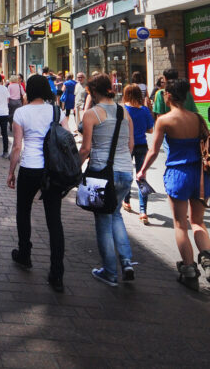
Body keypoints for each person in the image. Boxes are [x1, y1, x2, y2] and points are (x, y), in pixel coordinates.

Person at [137, 78, 210, 291]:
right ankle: (208, 261)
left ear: (168, 95)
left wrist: (142, 170)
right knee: (198, 222)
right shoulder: (196, 118)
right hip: (200, 175)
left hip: (178, 174)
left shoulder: (165, 120)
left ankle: (189, 271)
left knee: (180, 224)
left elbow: (154, 150)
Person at [8, 74, 66, 292]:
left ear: (28, 91)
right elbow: (67, 138)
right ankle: (57, 272)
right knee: (54, 221)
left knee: (23, 211)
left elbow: (16, 147)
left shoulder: (21, 113)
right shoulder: (56, 111)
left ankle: (25, 254)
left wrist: (11, 172)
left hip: (30, 167)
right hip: (52, 170)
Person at [78, 73, 136, 287]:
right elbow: (130, 145)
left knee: (103, 221)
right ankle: (127, 262)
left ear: (93, 92)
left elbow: (85, 149)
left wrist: (75, 168)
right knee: (116, 214)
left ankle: (110, 272)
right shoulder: (124, 112)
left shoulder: (92, 114)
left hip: (101, 172)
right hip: (124, 172)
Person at [122, 83, 155, 224]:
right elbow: (150, 130)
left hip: (126, 145)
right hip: (142, 145)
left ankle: (127, 201)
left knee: (127, 173)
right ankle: (143, 211)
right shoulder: (145, 111)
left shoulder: (123, 109)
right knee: (142, 177)